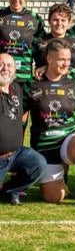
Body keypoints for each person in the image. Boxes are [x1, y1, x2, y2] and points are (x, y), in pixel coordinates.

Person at [24, 39, 75, 208]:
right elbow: (20, 117)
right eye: (61, 59)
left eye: (68, 59)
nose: (66, 63)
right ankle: (59, 178)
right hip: (44, 148)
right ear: (49, 59)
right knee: (53, 197)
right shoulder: (32, 84)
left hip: (68, 141)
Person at [0, 53, 46, 205]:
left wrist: (46, 67)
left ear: (14, 70)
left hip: (16, 154)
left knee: (38, 163)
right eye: (0, 64)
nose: (4, 68)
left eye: (9, 65)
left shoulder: (18, 89)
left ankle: (9, 191)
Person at [0, 0, 45, 84]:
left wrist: (42, 65)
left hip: (24, 77)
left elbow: (41, 46)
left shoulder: (34, 19)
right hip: (2, 76)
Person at [33, 3, 75, 78]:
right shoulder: (39, 41)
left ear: (69, 22)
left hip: (69, 85)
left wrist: (47, 68)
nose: (59, 23)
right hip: (44, 85)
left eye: (63, 20)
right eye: (55, 20)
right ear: (49, 21)